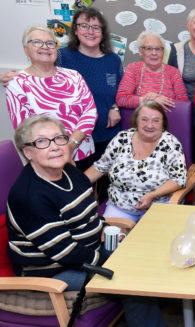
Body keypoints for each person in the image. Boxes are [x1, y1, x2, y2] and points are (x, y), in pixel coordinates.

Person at [7, 115, 167, 327]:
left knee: (146, 253)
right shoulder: (30, 195)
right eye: (42, 142)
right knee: (129, 279)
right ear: (28, 152)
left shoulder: (69, 171)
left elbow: (89, 212)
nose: (54, 146)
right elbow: (65, 253)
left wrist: (105, 227)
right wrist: (110, 260)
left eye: (59, 138)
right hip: (53, 270)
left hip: (86, 250)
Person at [5, 25, 97, 166]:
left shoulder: (74, 76)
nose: (45, 47)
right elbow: (24, 129)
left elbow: (90, 112)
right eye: (36, 42)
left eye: (50, 43)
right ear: (26, 50)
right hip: (47, 159)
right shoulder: (17, 83)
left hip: (82, 151)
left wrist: (70, 146)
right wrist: (61, 153)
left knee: (86, 187)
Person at [85, 101, 187, 222]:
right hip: (119, 207)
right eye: (144, 119)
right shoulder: (121, 138)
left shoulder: (171, 144)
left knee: (147, 240)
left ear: (163, 124)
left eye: (156, 120)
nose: (149, 125)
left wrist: (153, 195)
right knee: (111, 239)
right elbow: (100, 167)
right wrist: (74, 183)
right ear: (136, 121)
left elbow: (179, 179)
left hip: (156, 207)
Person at [116, 31, 189, 110]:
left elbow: (183, 103)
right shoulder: (133, 69)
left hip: (168, 119)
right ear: (140, 52)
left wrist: (160, 98)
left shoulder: (173, 72)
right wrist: (149, 100)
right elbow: (121, 99)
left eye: (158, 49)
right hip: (139, 120)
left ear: (163, 52)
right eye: (149, 48)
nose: (154, 53)